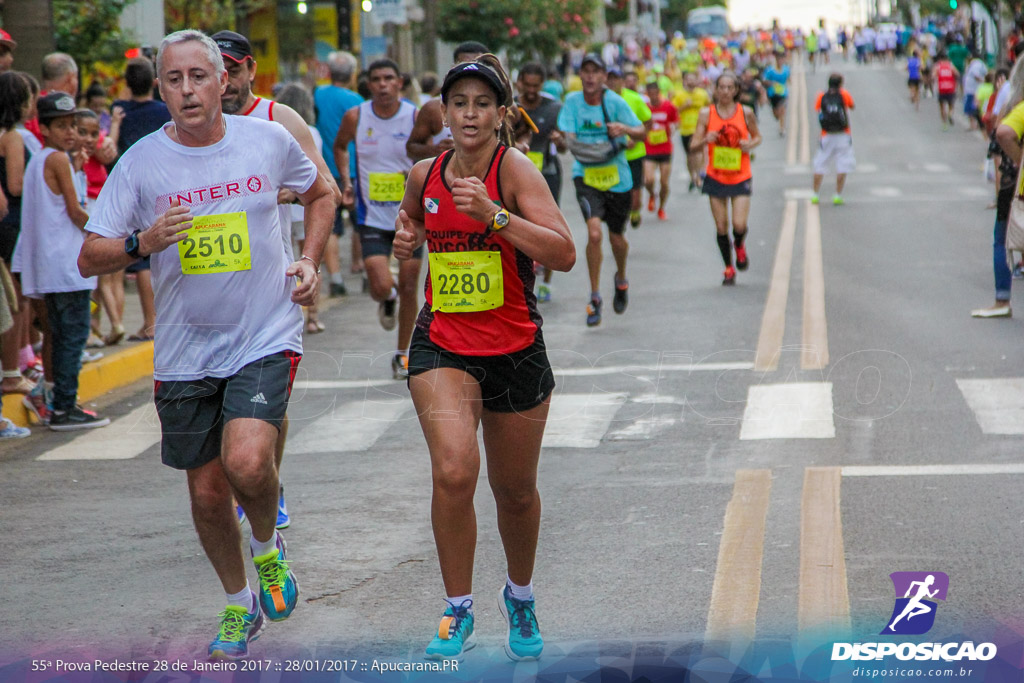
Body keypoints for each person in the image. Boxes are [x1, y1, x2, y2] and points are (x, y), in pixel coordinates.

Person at [78, 29, 335, 659]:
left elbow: (322, 192)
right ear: (160, 87)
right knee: (207, 491)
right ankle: (236, 602)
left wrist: (309, 260)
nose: (188, 90)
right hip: (186, 351)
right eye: (174, 79)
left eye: (200, 76)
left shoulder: (268, 140)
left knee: (248, 462)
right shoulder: (141, 161)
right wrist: (144, 241)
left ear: (224, 80)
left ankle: (269, 553)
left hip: (266, 332)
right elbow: (90, 256)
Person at [392, 54, 575, 662]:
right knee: (452, 471)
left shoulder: (515, 171)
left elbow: (563, 252)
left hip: (515, 347)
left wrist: (495, 217)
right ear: (445, 112)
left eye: (481, 104)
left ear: (500, 115)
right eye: (459, 103)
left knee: (515, 491)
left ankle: (519, 595)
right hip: (443, 342)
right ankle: (457, 609)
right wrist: (406, 241)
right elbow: (413, 225)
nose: (469, 114)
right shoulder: (425, 173)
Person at [213, 28, 342, 530]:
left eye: (233, 71)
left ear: (249, 70)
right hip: (210, 283)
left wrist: (279, 194)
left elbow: (324, 185)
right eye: (215, 73)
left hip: (270, 281)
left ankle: (266, 480)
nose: (224, 83)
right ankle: (243, 480)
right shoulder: (191, 124)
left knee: (266, 397)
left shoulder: (277, 118)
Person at [11, 91, 110, 430]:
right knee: (73, 336)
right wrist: (108, 232)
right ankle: (65, 408)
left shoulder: (39, 159)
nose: (69, 132)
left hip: (48, 267)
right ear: (45, 129)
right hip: (68, 266)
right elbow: (75, 211)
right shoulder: (57, 160)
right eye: (61, 126)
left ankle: (55, 402)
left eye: (72, 125)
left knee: (57, 336)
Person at [334, 58, 420, 378]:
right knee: (379, 283)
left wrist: (418, 172)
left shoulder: (413, 116)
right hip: (370, 214)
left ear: (400, 82)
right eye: (376, 79)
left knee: (411, 284)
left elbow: (430, 151)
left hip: (410, 215)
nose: (383, 85)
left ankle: (403, 354)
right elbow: (340, 146)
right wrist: (346, 180)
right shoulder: (356, 116)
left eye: (389, 78)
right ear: (368, 84)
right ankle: (388, 297)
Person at [558, 54, 646, 326]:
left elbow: (642, 131)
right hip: (586, 176)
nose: (590, 77)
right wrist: (561, 141)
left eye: (596, 72)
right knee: (594, 234)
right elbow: (567, 140)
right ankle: (595, 296)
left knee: (616, 238)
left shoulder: (615, 102)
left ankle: (621, 278)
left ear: (604, 77)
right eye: (585, 71)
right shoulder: (572, 102)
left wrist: (625, 129)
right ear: (580, 75)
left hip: (618, 178)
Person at [113, 57, 170, 343]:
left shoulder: (119, 111)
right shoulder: (164, 111)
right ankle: (156, 321)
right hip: (163, 187)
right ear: (156, 83)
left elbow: (110, 151)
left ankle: (150, 323)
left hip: (133, 191)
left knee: (142, 260)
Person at [690, 71, 762, 285]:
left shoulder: (745, 112)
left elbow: (758, 136)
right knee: (721, 227)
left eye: (730, 88)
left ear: (736, 90)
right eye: (721, 87)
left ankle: (739, 245)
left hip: (740, 174)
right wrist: (705, 139)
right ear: (715, 89)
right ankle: (729, 268)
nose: (725, 91)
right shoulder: (706, 114)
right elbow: (693, 145)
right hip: (716, 176)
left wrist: (750, 144)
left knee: (738, 224)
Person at [516, 61, 567, 303]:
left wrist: (559, 140)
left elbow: (566, 147)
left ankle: (546, 282)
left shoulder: (554, 108)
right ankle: (522, 280)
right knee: (519, 225)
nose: (532, 91)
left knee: (548, 227)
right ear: (519, 83)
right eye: (527, 86)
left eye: (537, 86)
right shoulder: (510, 107)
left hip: (547, 173)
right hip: (515, 174)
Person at [315, 50, 364, 296]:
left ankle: (336, 279)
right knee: (361, 223)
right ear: (352, 74)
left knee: (331, 226)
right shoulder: (356, 100)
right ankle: (364, 271)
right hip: (353, 169)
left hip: (325, 169)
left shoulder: (318, 94)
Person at [406, 41, 488, 162]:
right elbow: (411, 148)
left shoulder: (504, 107)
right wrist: (435, 150)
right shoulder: (433, 108)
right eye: (464, 65)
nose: (471, 70)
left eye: (478, 65)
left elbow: (517, 140)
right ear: (453, 67)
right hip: (448, 179)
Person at [606, 68, 651, 229]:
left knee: (635, 194)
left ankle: (635, 211)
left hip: (634, 153)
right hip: (611, 156)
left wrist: (636, 138)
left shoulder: (634, 98)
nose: (612, 82)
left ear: (622, 81)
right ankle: (619, 219)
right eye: (609, 79)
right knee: (617, 192)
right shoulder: (600, 99)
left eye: (615, 79)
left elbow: (647, 121)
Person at [811, 74, 855, 206]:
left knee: (820, 163)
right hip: (843, 134)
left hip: (827, 135)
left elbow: (818, 109)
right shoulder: (844, 95)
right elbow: (851, 106)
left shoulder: (821, 95)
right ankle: (837, 195)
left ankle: (815, 194)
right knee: (843, 164)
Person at [643, 80, 678, 220]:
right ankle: (652, 194)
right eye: (650, 94)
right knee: (648, 180)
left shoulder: (669, 107)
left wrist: (673, 128)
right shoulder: (644, 108)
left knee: (664, 182)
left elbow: (676, 122)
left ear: (659, 93)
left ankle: (662, 208)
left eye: (655, 93)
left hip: (665, 149)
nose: (653, 97)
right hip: (649, 149)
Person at [673, 70, 711, 192]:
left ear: (697, 80)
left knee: (699, 153)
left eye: (693, 79)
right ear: (684, 81)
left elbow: (710, 108)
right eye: (688, 79)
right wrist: (684, 106)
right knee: (689, 156)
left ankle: (700, 175)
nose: (691, 81)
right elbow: (673, 112)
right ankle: (692, 177)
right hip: (685, 129)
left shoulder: (703, 94)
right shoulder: (679, 95)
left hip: (699, 129)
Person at [763, 51, 790, 137]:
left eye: (782, 59)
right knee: (776, 114)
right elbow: (765, 80)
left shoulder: (786, 69)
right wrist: (772, 83)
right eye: (779, 60)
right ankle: (776, 115)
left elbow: (789, 79)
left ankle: (782, 129)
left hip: (783, 93)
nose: (781, 61)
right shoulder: (770, 70)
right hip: (772, 93)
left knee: (782, 110)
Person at [962, 53, 988, 130]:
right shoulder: (980, 64)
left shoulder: (976, 64)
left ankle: (973, 124)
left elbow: (976, 75)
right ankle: (975, 124)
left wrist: (983, 81)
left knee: (971, 108)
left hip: (972, 89)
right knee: (974, 107)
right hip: (973, 88)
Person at [934, 51, 959, 129]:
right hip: (950, 88)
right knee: (951, 104)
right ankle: (950, 114)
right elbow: (957, 74)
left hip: (941, 88)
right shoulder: (951, 66)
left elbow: (933, 76)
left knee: (942, 107)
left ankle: (944, 124)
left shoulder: (938, 66)